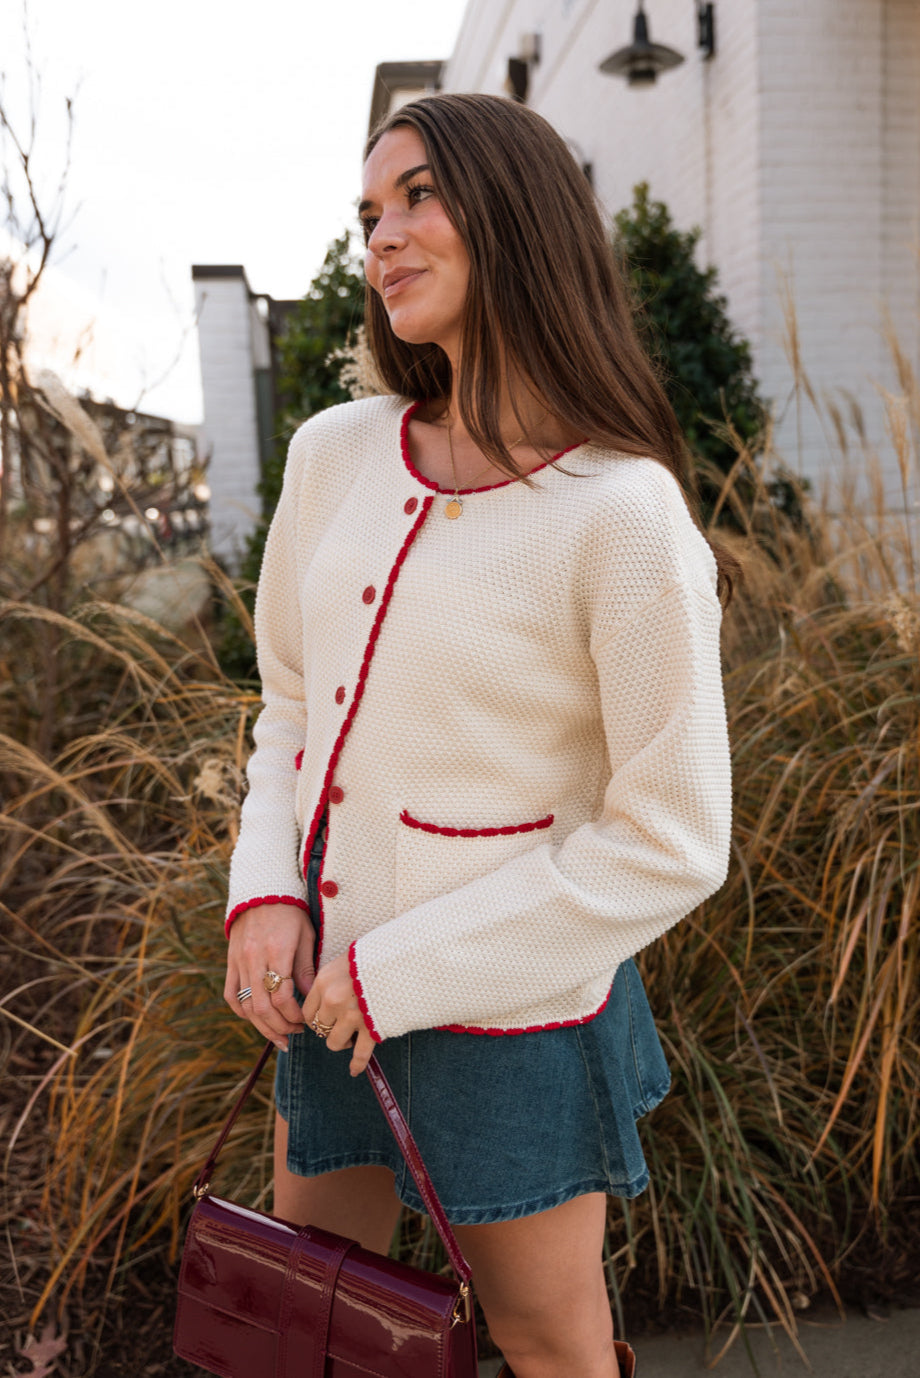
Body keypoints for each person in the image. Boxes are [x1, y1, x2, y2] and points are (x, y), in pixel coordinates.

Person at [223, 93, 733, 1378]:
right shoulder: (337, 454)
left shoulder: (619, 514)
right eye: (366, 214)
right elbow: (289, 707)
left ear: (512, 214)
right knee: (313, 1325)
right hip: (320, 996)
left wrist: (404, 972)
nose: (380, 238)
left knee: (548, 1340)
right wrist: (263, 894)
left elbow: (671, 838)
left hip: (511, 1009)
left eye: (415, 198)